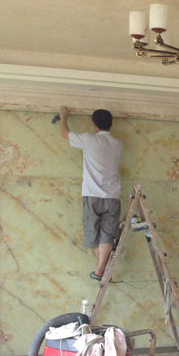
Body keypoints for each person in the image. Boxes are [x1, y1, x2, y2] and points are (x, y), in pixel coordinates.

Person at [59, 107, 123, 281]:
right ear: (111, 124)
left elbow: (64, 132)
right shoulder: (118, 144)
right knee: (107, 235)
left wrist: (64, 117)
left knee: (93, 235)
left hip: (92, 195)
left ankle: (101, 268)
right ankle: (102, 269)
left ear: (93, 124)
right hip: (113, 196)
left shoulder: (89, 140)